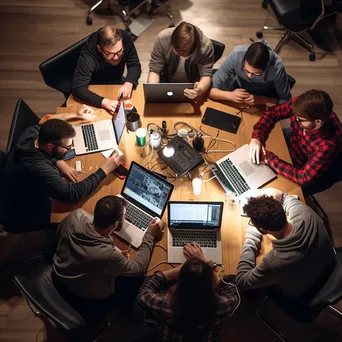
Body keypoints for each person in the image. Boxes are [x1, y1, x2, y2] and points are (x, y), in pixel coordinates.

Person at [3, 107, 121, 232]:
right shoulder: (38, 168)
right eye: (67, 147)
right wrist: (104, 169)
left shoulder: (34, 132)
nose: (70, 149)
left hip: (19, 188)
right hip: (24, 211)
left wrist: (76, 114)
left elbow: (50, 120)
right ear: (50, 146)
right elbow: (73, 194)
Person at [53, 196, 163, 317]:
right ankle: (127, 314)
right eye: (124, 216)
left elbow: (58, 233)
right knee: (137, 279)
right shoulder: (109, 256)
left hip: (59, 274)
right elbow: (140, 267)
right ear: (114, 226)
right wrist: (150, 235)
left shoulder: (76, 215)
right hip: (84, 297)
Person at [236, 189, 335, 301]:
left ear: (263, 230)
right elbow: (282, 195)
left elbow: (242, 281)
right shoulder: (305, 212)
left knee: (251, 293)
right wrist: (268, 199)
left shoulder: (274, 261)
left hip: (304, 292)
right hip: (329, 265)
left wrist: (251, 238)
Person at [138, 243, 240, 342]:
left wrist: (177, 271)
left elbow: (144, 293)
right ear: (211, 284)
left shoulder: (166, 305)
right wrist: (207, 263)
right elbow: (228, 286)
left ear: (179, 281)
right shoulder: (223, 305)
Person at [249, 89, 342, 195]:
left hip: (313, 171)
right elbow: (273, 112)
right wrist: (257, 137)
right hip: (297, 147)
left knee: (279, 195)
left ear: (318, 122)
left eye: (300, 120)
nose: (295, 119)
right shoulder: (301, 105)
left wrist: (268, 158)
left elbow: (303, 178)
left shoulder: (328, 145)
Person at [72, 26, 142, 113]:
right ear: (99, 48)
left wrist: (129, 82)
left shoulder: (125, 39)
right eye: (111, 54)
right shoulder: (87, 57)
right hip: (94, 87)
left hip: (117, 80)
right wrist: (104, 102)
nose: (116, 57)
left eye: (119, 51)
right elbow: (78, 89)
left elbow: (134, 65)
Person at [210, 41, 291, 106]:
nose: (249, 76)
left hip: (261, 96)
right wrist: (229, 95)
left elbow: (287, 101)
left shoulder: (277, 68)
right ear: (244, 58)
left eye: (256, 73)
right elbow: (210, 87)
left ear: (266, 67)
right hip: (236, 88)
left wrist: (263, 99)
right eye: (245, 70)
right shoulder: (236, 55)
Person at [147, 21, 214, 100]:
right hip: (167, 79)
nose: (184, 58)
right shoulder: (162, 39)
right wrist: (152, 89)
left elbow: (206, 75)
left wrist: (199, 90)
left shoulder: (205, 46)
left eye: (187, 56)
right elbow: (154, 70)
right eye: (177, 52)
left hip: (192, 83)